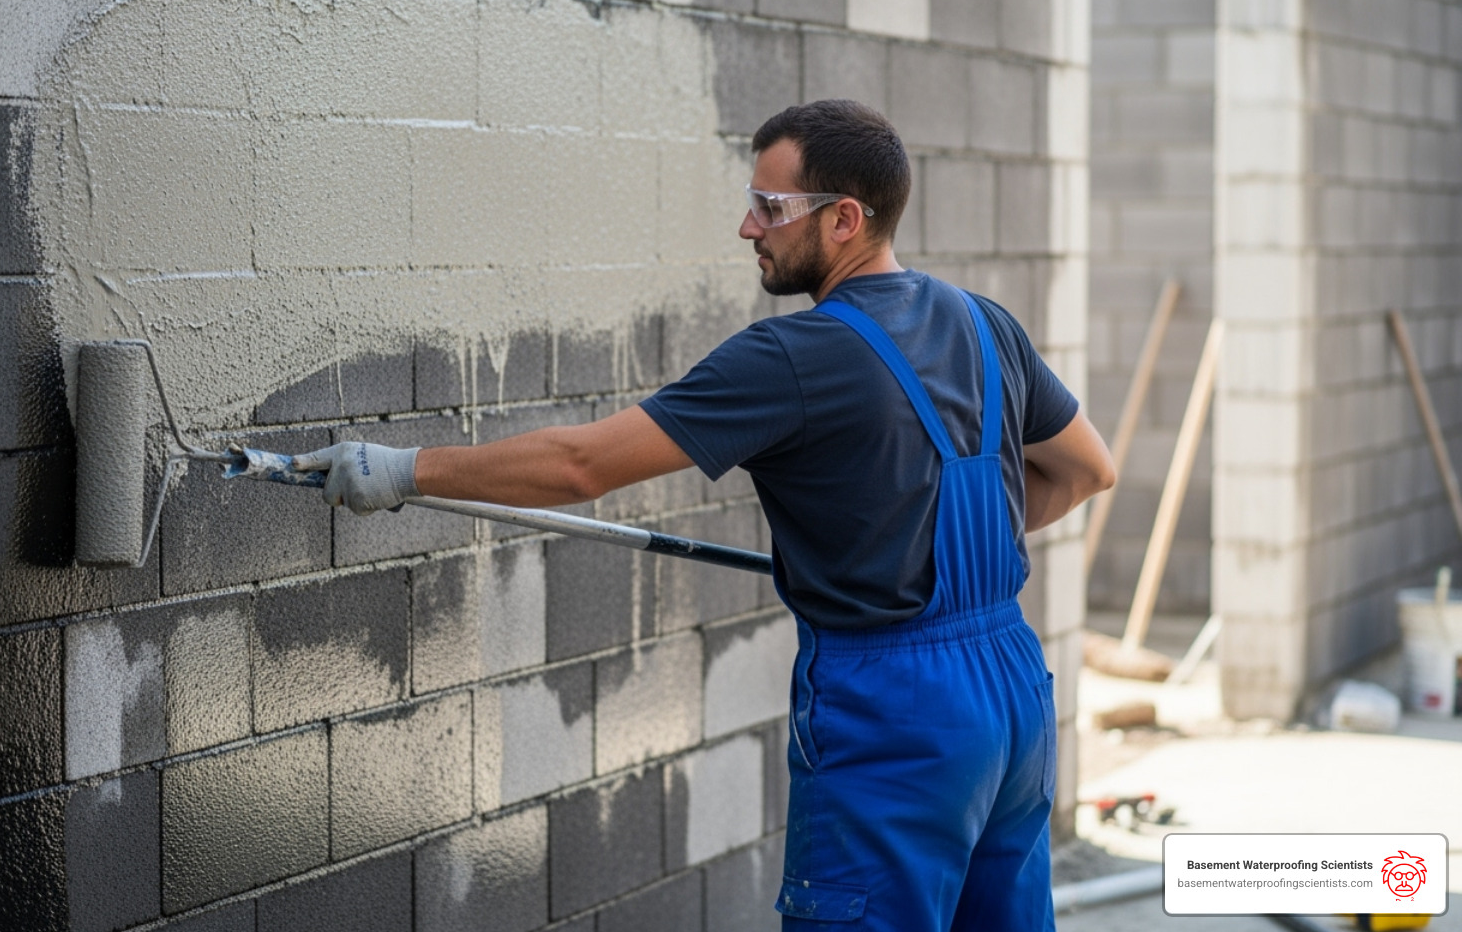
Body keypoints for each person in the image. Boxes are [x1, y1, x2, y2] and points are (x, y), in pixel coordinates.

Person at [295, 99, 1115, 930]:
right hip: (1012, 694)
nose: (747, 226)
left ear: (843, 220)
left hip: (898, 714)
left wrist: (401, 470)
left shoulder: (793, 358)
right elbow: (1088, 469)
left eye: (770, 207)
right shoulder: (986, 326)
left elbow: (581, 466)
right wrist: (924, 551)